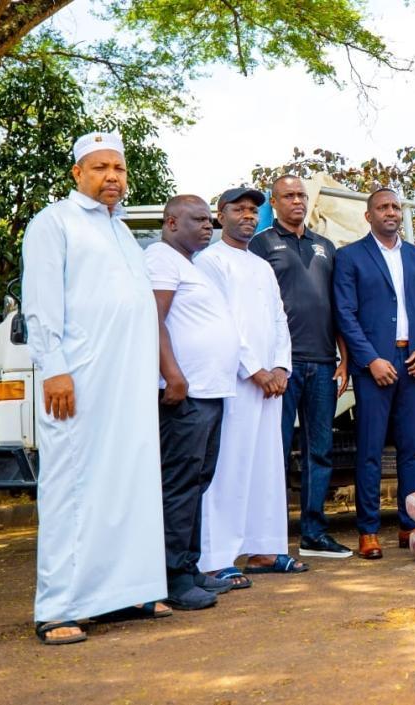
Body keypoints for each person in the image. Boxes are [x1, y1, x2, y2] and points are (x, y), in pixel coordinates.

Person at [23, 132, 169, 644]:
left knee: (129, 480)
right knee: (72, 485)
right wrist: (54, 368)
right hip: (79, 379)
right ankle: (59, 607)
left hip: (127, 384)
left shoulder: (121, 230)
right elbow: (41, 303)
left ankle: (123, 592)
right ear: (77, 174)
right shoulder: (54, 223)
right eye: (100, 167)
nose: (112, 176)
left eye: (119, 168)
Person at [196, 187, 309, 581]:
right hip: (235, 381)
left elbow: (279, 318)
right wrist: (255, 370)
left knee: (267, 465)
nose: (247, 216)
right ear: (220, 215)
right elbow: (221, 322)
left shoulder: (261, 265)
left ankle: (265, 549)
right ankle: (217, 558)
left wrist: (280, 367)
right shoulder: (209, 262)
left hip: (270, 384)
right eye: (239, 209)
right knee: (229, 465)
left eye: (252, 211)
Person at [333, 188, 415, 559]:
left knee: (411, 450)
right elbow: (344, 313)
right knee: (370, 450)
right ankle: (368, 530)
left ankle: (408, 525)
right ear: (369, 216)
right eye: (383, 207)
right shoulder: (350, 256)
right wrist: (370, 360)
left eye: (396, 206)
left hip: (414, 362)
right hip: (375, 366)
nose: (391, 212)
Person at [145, 194, 242, 609]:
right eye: (198, 220)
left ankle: (188, 566)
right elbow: (153, 319)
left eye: (209, 221)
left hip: (209, 392)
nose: (208, 226)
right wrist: (172, 374)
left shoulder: (191, 265)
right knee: (180, 485)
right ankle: (171, 578)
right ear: (171, 223)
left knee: (196, 483)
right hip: (186, 394)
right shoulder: (160, 258)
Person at [249, 175, 352, 560]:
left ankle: (314, 533)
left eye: (301, 195)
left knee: (319, 451)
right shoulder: (261, 244)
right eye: (288, 196)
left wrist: (345, 358)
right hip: (280, 367)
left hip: (323, 364)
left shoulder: (325, 246)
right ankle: (269, 537)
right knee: (274, 451)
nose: (297, 201)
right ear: (274, 203)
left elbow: (337, 306)